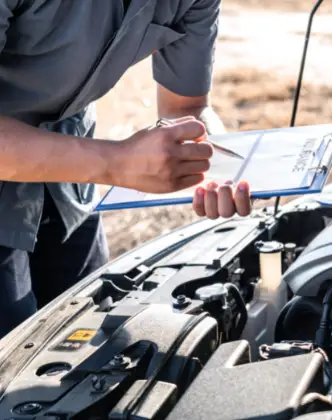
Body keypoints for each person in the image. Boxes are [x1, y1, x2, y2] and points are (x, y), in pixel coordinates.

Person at [0, 0, 251, 338]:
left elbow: (185, 109)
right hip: (71, 160)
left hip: (69, 182)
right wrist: (116, 162)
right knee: (11, 357)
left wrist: (214, 159)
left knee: (85, 332)